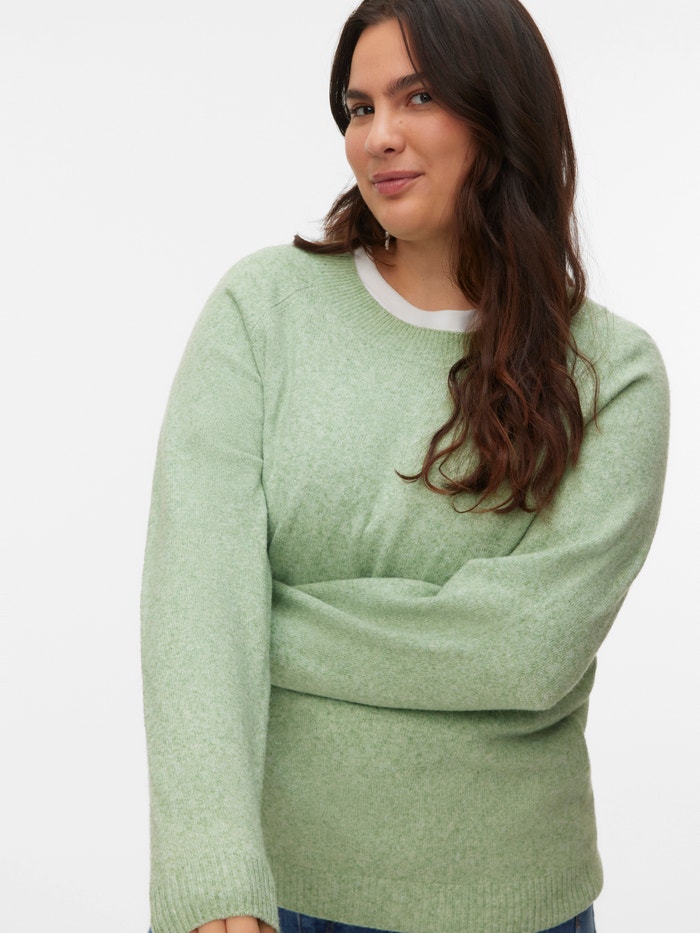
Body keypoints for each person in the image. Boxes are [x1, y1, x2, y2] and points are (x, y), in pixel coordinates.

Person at [140, 0, 669, 931]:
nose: (377, 135)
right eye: (358, 107)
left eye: (417, 97)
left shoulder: (611, 373)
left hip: (515, 903)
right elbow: (193, 605)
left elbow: (524, 650)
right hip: (270, 899)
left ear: (500, 110)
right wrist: (211, 871)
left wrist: (258, 624)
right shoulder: (263, 312)